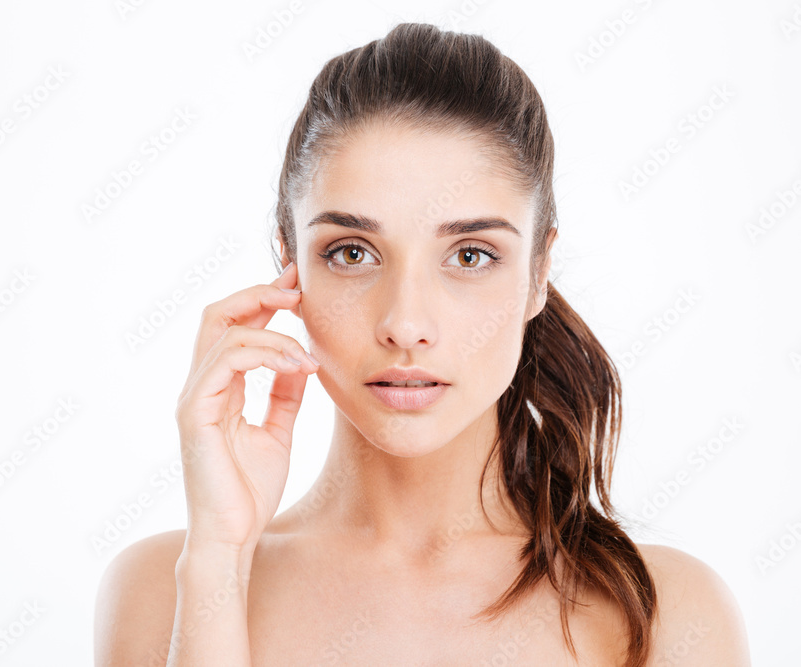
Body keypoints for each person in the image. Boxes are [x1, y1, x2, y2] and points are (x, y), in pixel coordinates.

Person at [95, 22, 751, 666]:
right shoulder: (166, 589)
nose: (406, 323)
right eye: (352, 252)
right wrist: (219, 559)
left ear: (538, 275)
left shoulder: (663, 613)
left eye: (470, 255)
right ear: (288, 259)